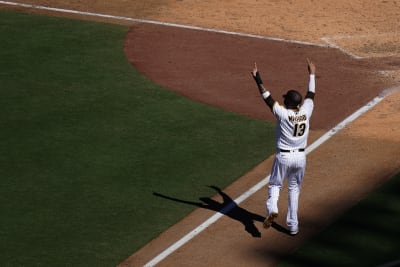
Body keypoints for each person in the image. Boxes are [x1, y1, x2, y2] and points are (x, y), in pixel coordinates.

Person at [251, 59, 316, 235]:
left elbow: (267, 98)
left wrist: (258, 79)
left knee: (275, 185)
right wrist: (311, 73)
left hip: (284, 157)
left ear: (287, 102)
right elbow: (311, 94)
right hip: (300, 158)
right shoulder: (306, 112)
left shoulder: (283, 114)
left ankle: (272, 208)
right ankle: (293, 227)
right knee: (294, 190)